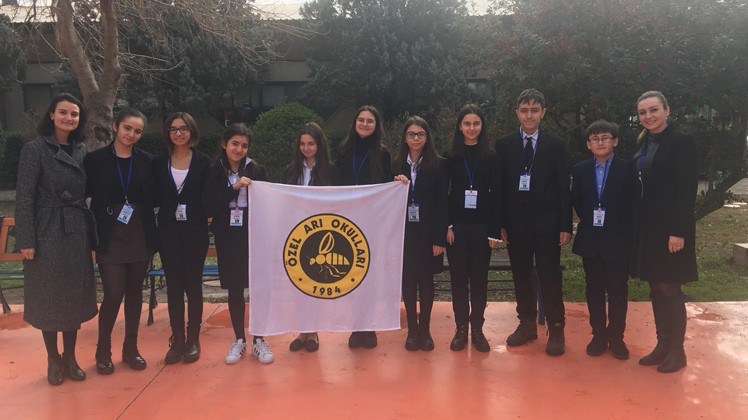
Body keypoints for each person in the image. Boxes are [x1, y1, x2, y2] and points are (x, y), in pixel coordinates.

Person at [15, 93, 98, 385]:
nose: (68, 118)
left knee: (72, 296)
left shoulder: (82, 150)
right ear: (51, 114)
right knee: (48, 296)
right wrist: (26, 239)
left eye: (74, 114)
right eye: (63, 112)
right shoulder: (34, 149)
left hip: (75, 230)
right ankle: (53, 358)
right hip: (46, 230)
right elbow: (24, 197)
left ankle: (70, 357)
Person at [495, 88, 572, 356]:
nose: (529, 115)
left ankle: (556, 327)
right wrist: (500, 223)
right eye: (525, 110)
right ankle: (527, 323)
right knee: (521, 275)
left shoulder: (555, 144)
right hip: (516, 224)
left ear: (543, 113)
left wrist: (565, 225)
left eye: (535, 110)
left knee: (550, 276)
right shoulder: (504, 145)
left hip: (548, 224)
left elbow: (563, 187)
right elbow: (500, 187)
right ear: (517, 112)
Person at [85, 108, 158, 374]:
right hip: (109, 233)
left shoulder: (147, 161)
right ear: (116, 126)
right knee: (114, 294)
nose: (131, 134)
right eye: (127, 128)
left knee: (134, 294)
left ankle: (131, 349)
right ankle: (103, 350)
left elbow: (155, 196)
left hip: (139, 233)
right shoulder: (94, 160)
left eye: (137, 131)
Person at [631, 91, 698, 373]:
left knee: (670, 288)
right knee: (655, 287)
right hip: (648, 228)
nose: (648, 116)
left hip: (671, 229)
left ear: (667, 110)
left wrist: (678, 231)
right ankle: (662, 345)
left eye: (653, 110)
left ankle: (677, 351)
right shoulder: (644, 141)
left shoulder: (681, 142)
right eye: (643, 112)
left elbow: (686, 190)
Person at [204, 123, 274, 364]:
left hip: (253, 233)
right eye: (235, 144)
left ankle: (259, 339)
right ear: (224, 144)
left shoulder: (257, 170)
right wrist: (233, 188)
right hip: (227, 233)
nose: (239, 149)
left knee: (258, 287)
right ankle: (239, 339)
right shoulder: (213, 171)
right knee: (235, 287)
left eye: (244, 145)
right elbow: (209, 206)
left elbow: (267, 203)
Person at [571, 120, 632, 360]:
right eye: (595, 139)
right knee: (594, 290)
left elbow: (632, 203)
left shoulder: (627, 168)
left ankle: (616, 337)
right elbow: (577, 200)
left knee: (618, 290)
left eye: (605, 137)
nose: (600, 142)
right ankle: (598, 335)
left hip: (618, 238)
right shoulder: (580, 170)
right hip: (591, 239)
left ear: (615, 141)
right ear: (588, 144)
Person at [153, 112, 211, 364]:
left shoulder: (204, 162)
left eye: (183, 128)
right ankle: (177, 339)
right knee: (174, 287)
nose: (178, 133)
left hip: (195, 232)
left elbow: (208, 197)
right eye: (174, 129)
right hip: (168, 232)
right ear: (168, 133)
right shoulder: (158, 162)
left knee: (193, 286)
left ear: (192, 131)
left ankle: (193, 340)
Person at [444, 104, 500, 353]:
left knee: (479, 280)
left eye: (476, 123)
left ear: (482, 126)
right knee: (458, 280)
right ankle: (460, 329)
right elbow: (442, 194)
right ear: (459, 126)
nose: (471, 128)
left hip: (481, 227)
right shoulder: (449, 156)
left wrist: (494, 231)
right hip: (456, 228)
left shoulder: (491, 156)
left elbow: (498, 194)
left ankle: (477, 329)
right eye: (467, 124)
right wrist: (447, 225)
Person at [336, 105, 391, 349]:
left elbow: (388, 186)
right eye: (361, 120)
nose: (365, 124)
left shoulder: (383, 153)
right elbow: (336, 183)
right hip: (348, 221)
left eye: (370, 121)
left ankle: (369, 327)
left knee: (370, 274)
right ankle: (356, 325)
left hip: (373, 222)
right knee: (352, 273)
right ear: (355, 122)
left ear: (376, 126)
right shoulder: (343, 149)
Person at [393, 116, 448, 351]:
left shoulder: (439, 165)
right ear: (405, 138)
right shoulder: (395, 164)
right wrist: (395, 183)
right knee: (408, 281)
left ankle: (425, 329)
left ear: (427, 138)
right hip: (404, 234)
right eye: (411, 134)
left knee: (426, 281)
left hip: (428, 233)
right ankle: (412, 331)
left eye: (420, 134)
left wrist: (439, 238)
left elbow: (442, 203)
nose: (416, 138)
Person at [285, 122, 339, 352]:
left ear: (319, 145)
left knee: (315, 283)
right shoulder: (291, 170)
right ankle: (302, 330)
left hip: (319, 234)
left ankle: (313, 331)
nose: (306, 148)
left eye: (311, 144)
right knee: (298, 284)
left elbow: (338, 201)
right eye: (302, 144)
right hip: (295, 234)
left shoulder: (331, 170)